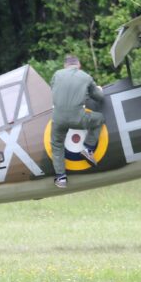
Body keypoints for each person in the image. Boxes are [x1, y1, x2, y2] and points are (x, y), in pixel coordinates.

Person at [49, 54, 105, 188]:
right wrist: (99, 90)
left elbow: (53, 89)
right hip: (78, 119)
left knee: (57, 145)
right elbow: (99, 97)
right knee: (99, 119)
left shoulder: (57, 74)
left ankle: (61, 178)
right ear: (78, 65)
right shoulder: (85, 77)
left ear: (65, 65)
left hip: (58, 118)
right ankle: (88, 148)